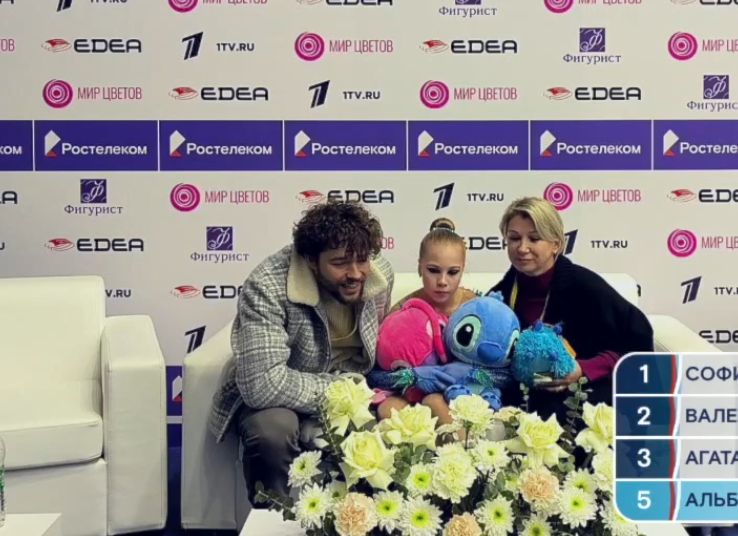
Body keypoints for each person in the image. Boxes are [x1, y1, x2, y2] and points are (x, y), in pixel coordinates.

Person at [207, 201, 393, 502]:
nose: (356, 273)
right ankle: (271, 517)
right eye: (340, 263)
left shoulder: (378, 275)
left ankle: (363, 519)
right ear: (310, 260)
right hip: (284, 390)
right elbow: (263, 385)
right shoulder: (267, 285)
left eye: (362, 260)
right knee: (272, 432)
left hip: (353, 386)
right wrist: (342, 391)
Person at [488, 196, 653, 416]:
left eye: (534, 238)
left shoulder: (586, 286)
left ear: (556, 244)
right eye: (514, 238)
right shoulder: (500, 295)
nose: (522, 247)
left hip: (586, 389)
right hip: (526, 389)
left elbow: (636, 343)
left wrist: (583, 369)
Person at [374, 218, 477, 426]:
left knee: (435, 402)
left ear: (463, 269)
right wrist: (411, 376)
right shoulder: (403, 311)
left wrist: (451, 376)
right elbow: (378, 372)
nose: (442, 281)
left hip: (461, 389)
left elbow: (497, 366)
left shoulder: (474, 308)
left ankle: (461, 448)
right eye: (433, 270)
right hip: (409, 391)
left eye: (453, 272)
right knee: (388, 410)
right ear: (420, 267)